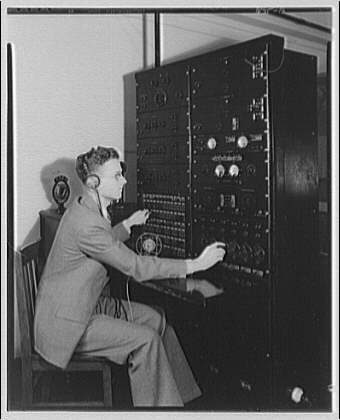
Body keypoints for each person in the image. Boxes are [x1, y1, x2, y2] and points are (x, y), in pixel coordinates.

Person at [34, 145, 225, 407]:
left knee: (157, 319)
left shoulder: (85, 207)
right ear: (94, 182)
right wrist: (195, 264)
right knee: (145, 341)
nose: (124, 180)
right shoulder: (86, 223)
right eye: (117, 175)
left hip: (80, 305)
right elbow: (135, 266)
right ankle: (160, 411)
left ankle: (182, 403)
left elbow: (102, 241)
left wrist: (127, 225)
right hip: (68, 325)